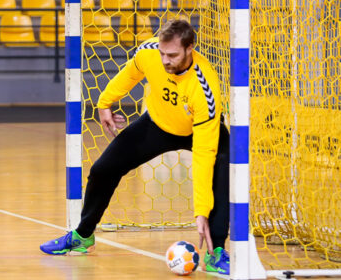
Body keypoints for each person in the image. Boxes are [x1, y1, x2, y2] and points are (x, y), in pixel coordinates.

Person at [39, 20, 230, 275]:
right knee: (103, 170)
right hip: (157, 123)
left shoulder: (204, 86)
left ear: (190, 49)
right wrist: (105, 102)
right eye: (162, 53)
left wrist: (200, 211)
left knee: (223, 171)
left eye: (172, 55)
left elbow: (203, 155)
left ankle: (217, 250)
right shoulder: (149, 52)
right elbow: (130, 72)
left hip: (200, 131)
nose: (165, 60)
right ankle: (83, 236)